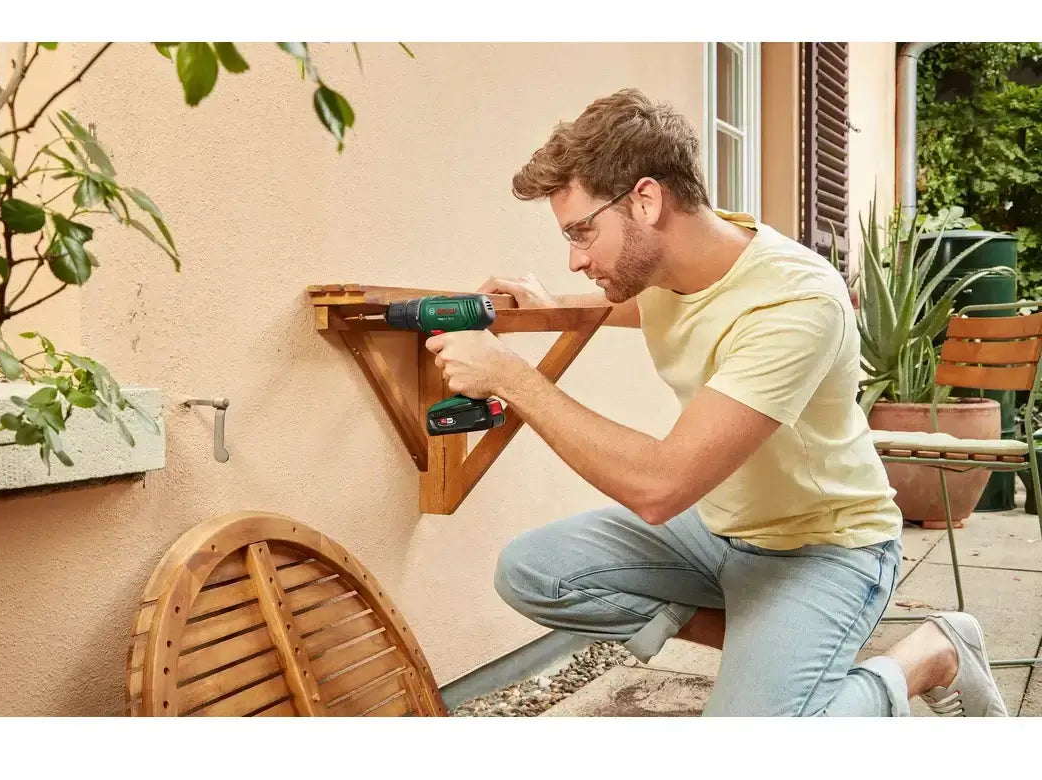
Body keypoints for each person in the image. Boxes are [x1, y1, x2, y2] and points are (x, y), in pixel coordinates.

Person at [424, 88, 1008, 717]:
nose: (575, 259)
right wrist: (543, 307)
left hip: (825, 546)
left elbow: (660, 486)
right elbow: (615, 304)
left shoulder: (794, 302)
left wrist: (512, 378)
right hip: (718, 529)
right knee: (532, 571)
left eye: (582, 232)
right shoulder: (669, 267)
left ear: (646, 200)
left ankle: (927, 655)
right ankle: (780, 652)